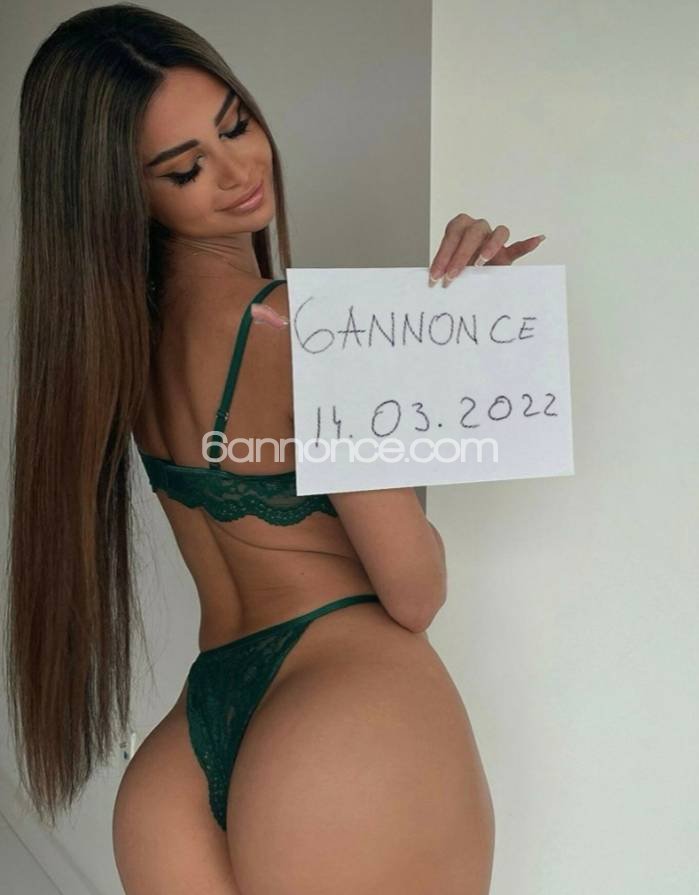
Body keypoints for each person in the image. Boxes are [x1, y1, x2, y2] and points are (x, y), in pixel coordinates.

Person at [6, 3, 544, 892]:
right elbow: (414, 591)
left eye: (235, 125)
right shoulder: (304, 330)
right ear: (122, 193)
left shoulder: (107, 351)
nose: (237, 171)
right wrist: (391, 370)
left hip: (184, 755)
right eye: (185, 168)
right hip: (344, 713)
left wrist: (443, 333)